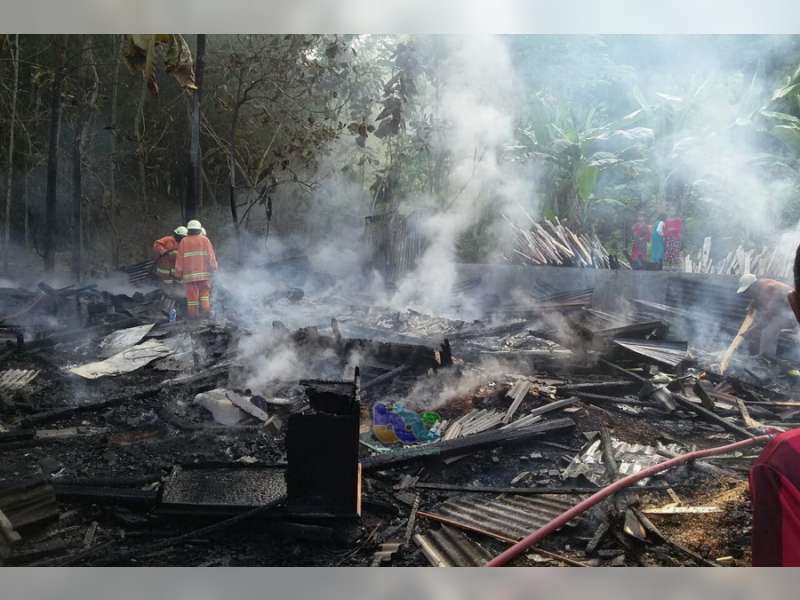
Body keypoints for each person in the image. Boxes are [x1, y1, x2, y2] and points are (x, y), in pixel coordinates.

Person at [736, 273, 795, 359]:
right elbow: (760, 301)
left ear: (753, 286)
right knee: (761, 323)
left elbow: (770, 313)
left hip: (794, 313)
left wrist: (753, 330)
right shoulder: (761, 287)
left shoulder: (769, 288)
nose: (747, 294)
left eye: (747, 291)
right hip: (784, 312)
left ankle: (766, 358)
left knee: (768, 329)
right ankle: (757, 352)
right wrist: (752, 305)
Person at [174, 219, 218, 319]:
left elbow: (180, 259)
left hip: (189, 278)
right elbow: (211, 257)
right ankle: (206, 315)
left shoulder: (184, 241)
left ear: (189, 230)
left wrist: (178, 274)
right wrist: (214, 268)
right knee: (204, 296)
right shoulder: (205, 240)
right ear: (199, 229)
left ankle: (194, 318)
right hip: (204, 276)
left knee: (192, 300)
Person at [663, 205, 683, 270]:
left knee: (675, 252)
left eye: (673, 210)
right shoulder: (666, 220)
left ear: (675, 211)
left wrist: (672, 229)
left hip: (675, 238)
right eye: (671, 210)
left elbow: (679, 229)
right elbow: (665, 230)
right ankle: (668, 266)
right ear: (669, 212)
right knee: (668, 252)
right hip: (668, 239)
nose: (672, 212)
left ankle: (675, 266)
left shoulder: (678, 220)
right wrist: (667, 232)